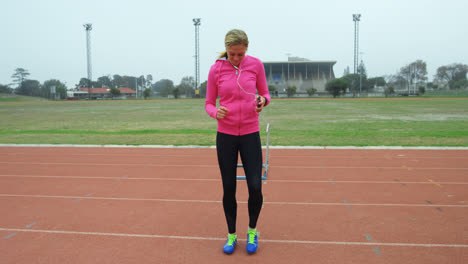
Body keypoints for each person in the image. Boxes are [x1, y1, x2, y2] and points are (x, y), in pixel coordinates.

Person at [205, 29, 271, 255]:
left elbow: (265, 94)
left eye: (240, 54)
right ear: (227, 50)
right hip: (226, 136)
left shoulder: (256, 65)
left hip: (251, 134)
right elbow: (208, 104)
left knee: (255, 185)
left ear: (246, 50)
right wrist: (216, 113)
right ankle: (231, 234)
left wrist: (262, 100)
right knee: (229, 187)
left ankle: (252, 230)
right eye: (232, 54)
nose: (235, 59)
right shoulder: (216, 69)